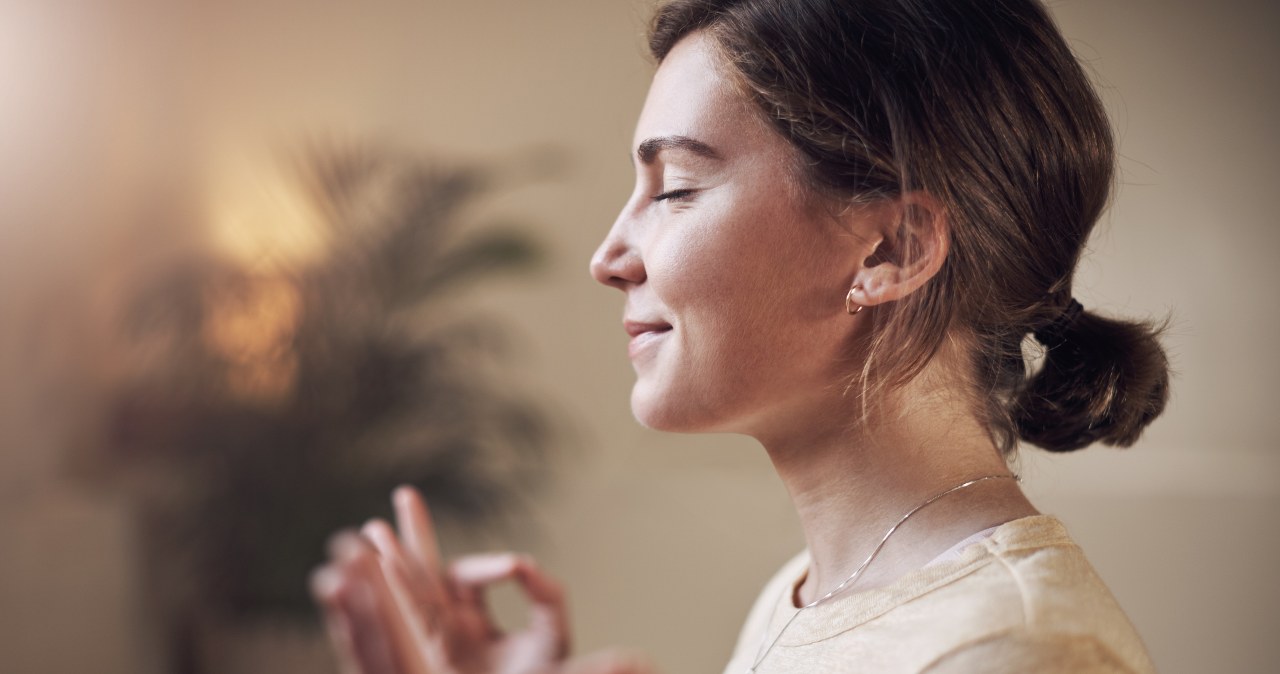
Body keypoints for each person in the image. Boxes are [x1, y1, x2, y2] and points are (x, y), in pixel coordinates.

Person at [310, 0, 1171, 672]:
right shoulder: (804, 598)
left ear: (892, 249)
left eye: (675, 187)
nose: (608, 257)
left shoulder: (1013, 652)